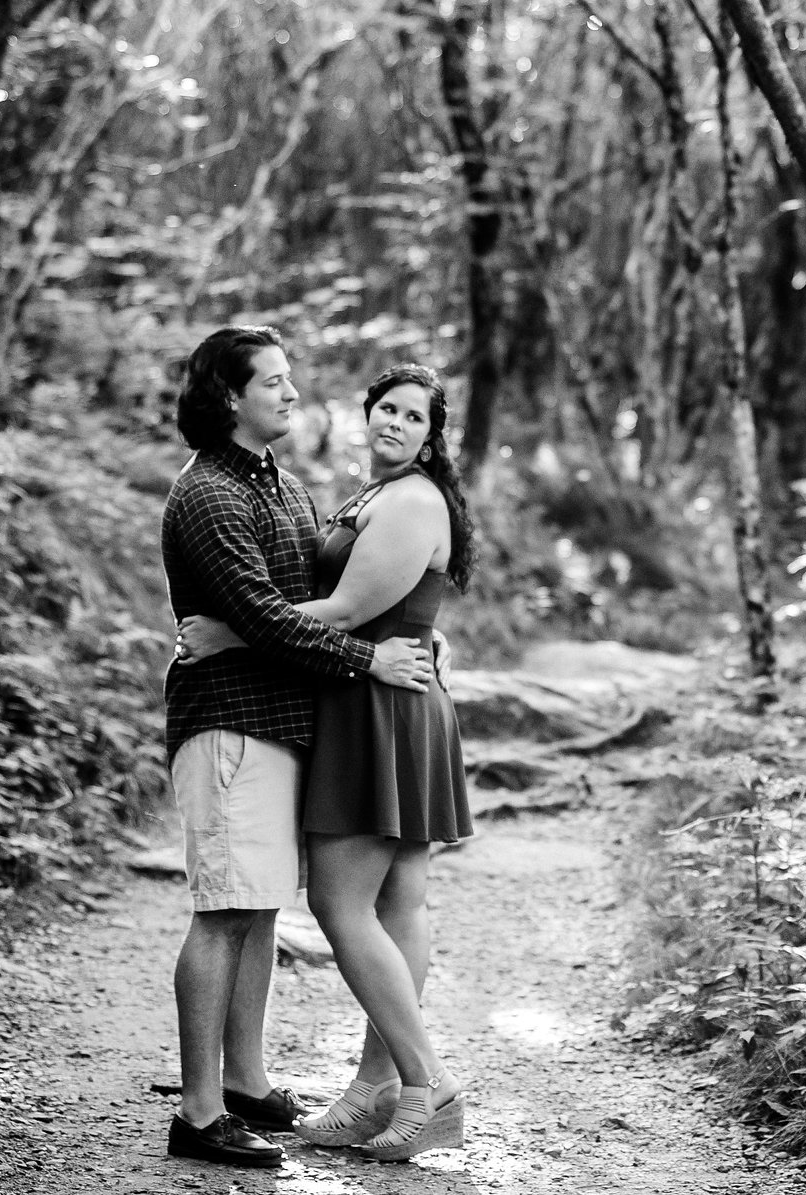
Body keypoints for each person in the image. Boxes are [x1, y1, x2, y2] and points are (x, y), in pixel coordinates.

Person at [178, 362, 474, 1164]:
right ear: (366, 412)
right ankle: (375, 1088)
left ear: (432, 435)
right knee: (397, 900)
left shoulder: (410, 499)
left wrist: (231, 632)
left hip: (382, 701)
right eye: (388, 408)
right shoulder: (369, 496)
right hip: (374, 696)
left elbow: (347, 610)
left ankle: (423, 1079)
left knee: (346, 907)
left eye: (416, 416)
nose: (397, 423)